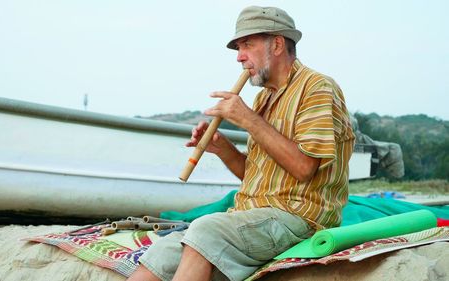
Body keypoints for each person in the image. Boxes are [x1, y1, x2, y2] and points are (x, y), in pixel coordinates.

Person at [128, 6, 355, 281]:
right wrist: (222, 148)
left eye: (247, 45)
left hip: (298, 219)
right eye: (238, 48)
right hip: (253, 215)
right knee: (163, 252)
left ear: (278, 44)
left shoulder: (317, 88)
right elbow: (254, 175)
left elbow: (305, 168)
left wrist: (247, 118)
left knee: (205, 230)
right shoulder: (264, 98)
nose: (239, 57)